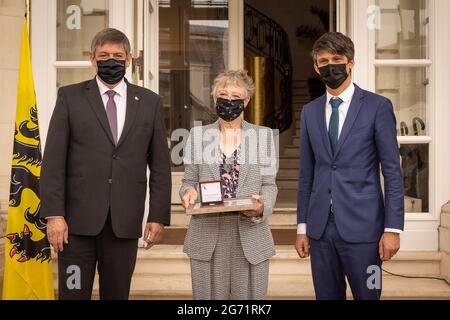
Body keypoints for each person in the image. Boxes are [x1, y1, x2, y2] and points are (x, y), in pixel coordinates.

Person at [40, 28, 172, 300]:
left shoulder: (149, 102)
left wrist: (158, 215)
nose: (110, 60)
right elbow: (53, 162)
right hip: (74, 228)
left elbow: (160, 165)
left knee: (116, 295)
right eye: (104, 55)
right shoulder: (70, 97)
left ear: (128, 60)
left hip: (123, 225)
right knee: (73, 294)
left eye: (117, 56)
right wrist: (54, 215)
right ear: (92, 59)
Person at [295, 32, 405, 300]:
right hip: (320, 231)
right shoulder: (309, 112)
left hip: (366, 231)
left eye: (337, 59)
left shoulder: (378, 107)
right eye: (323, 61)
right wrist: (302, 228)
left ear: (350, 63)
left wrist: (392, 229)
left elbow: (392, 171)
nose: (330, 65)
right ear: (316, 67)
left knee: (369, 294)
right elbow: (306, 174)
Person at [180, 70, 278, 300]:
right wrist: (188, 192)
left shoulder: (263, 136)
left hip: (250, 236)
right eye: (223, 94)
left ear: (246, 101)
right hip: (207, 237)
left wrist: (262, 208)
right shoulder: (197, 135)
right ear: (215, 99)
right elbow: (188, 181)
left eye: (236, 96)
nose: (229, 100)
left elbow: (269, 185)